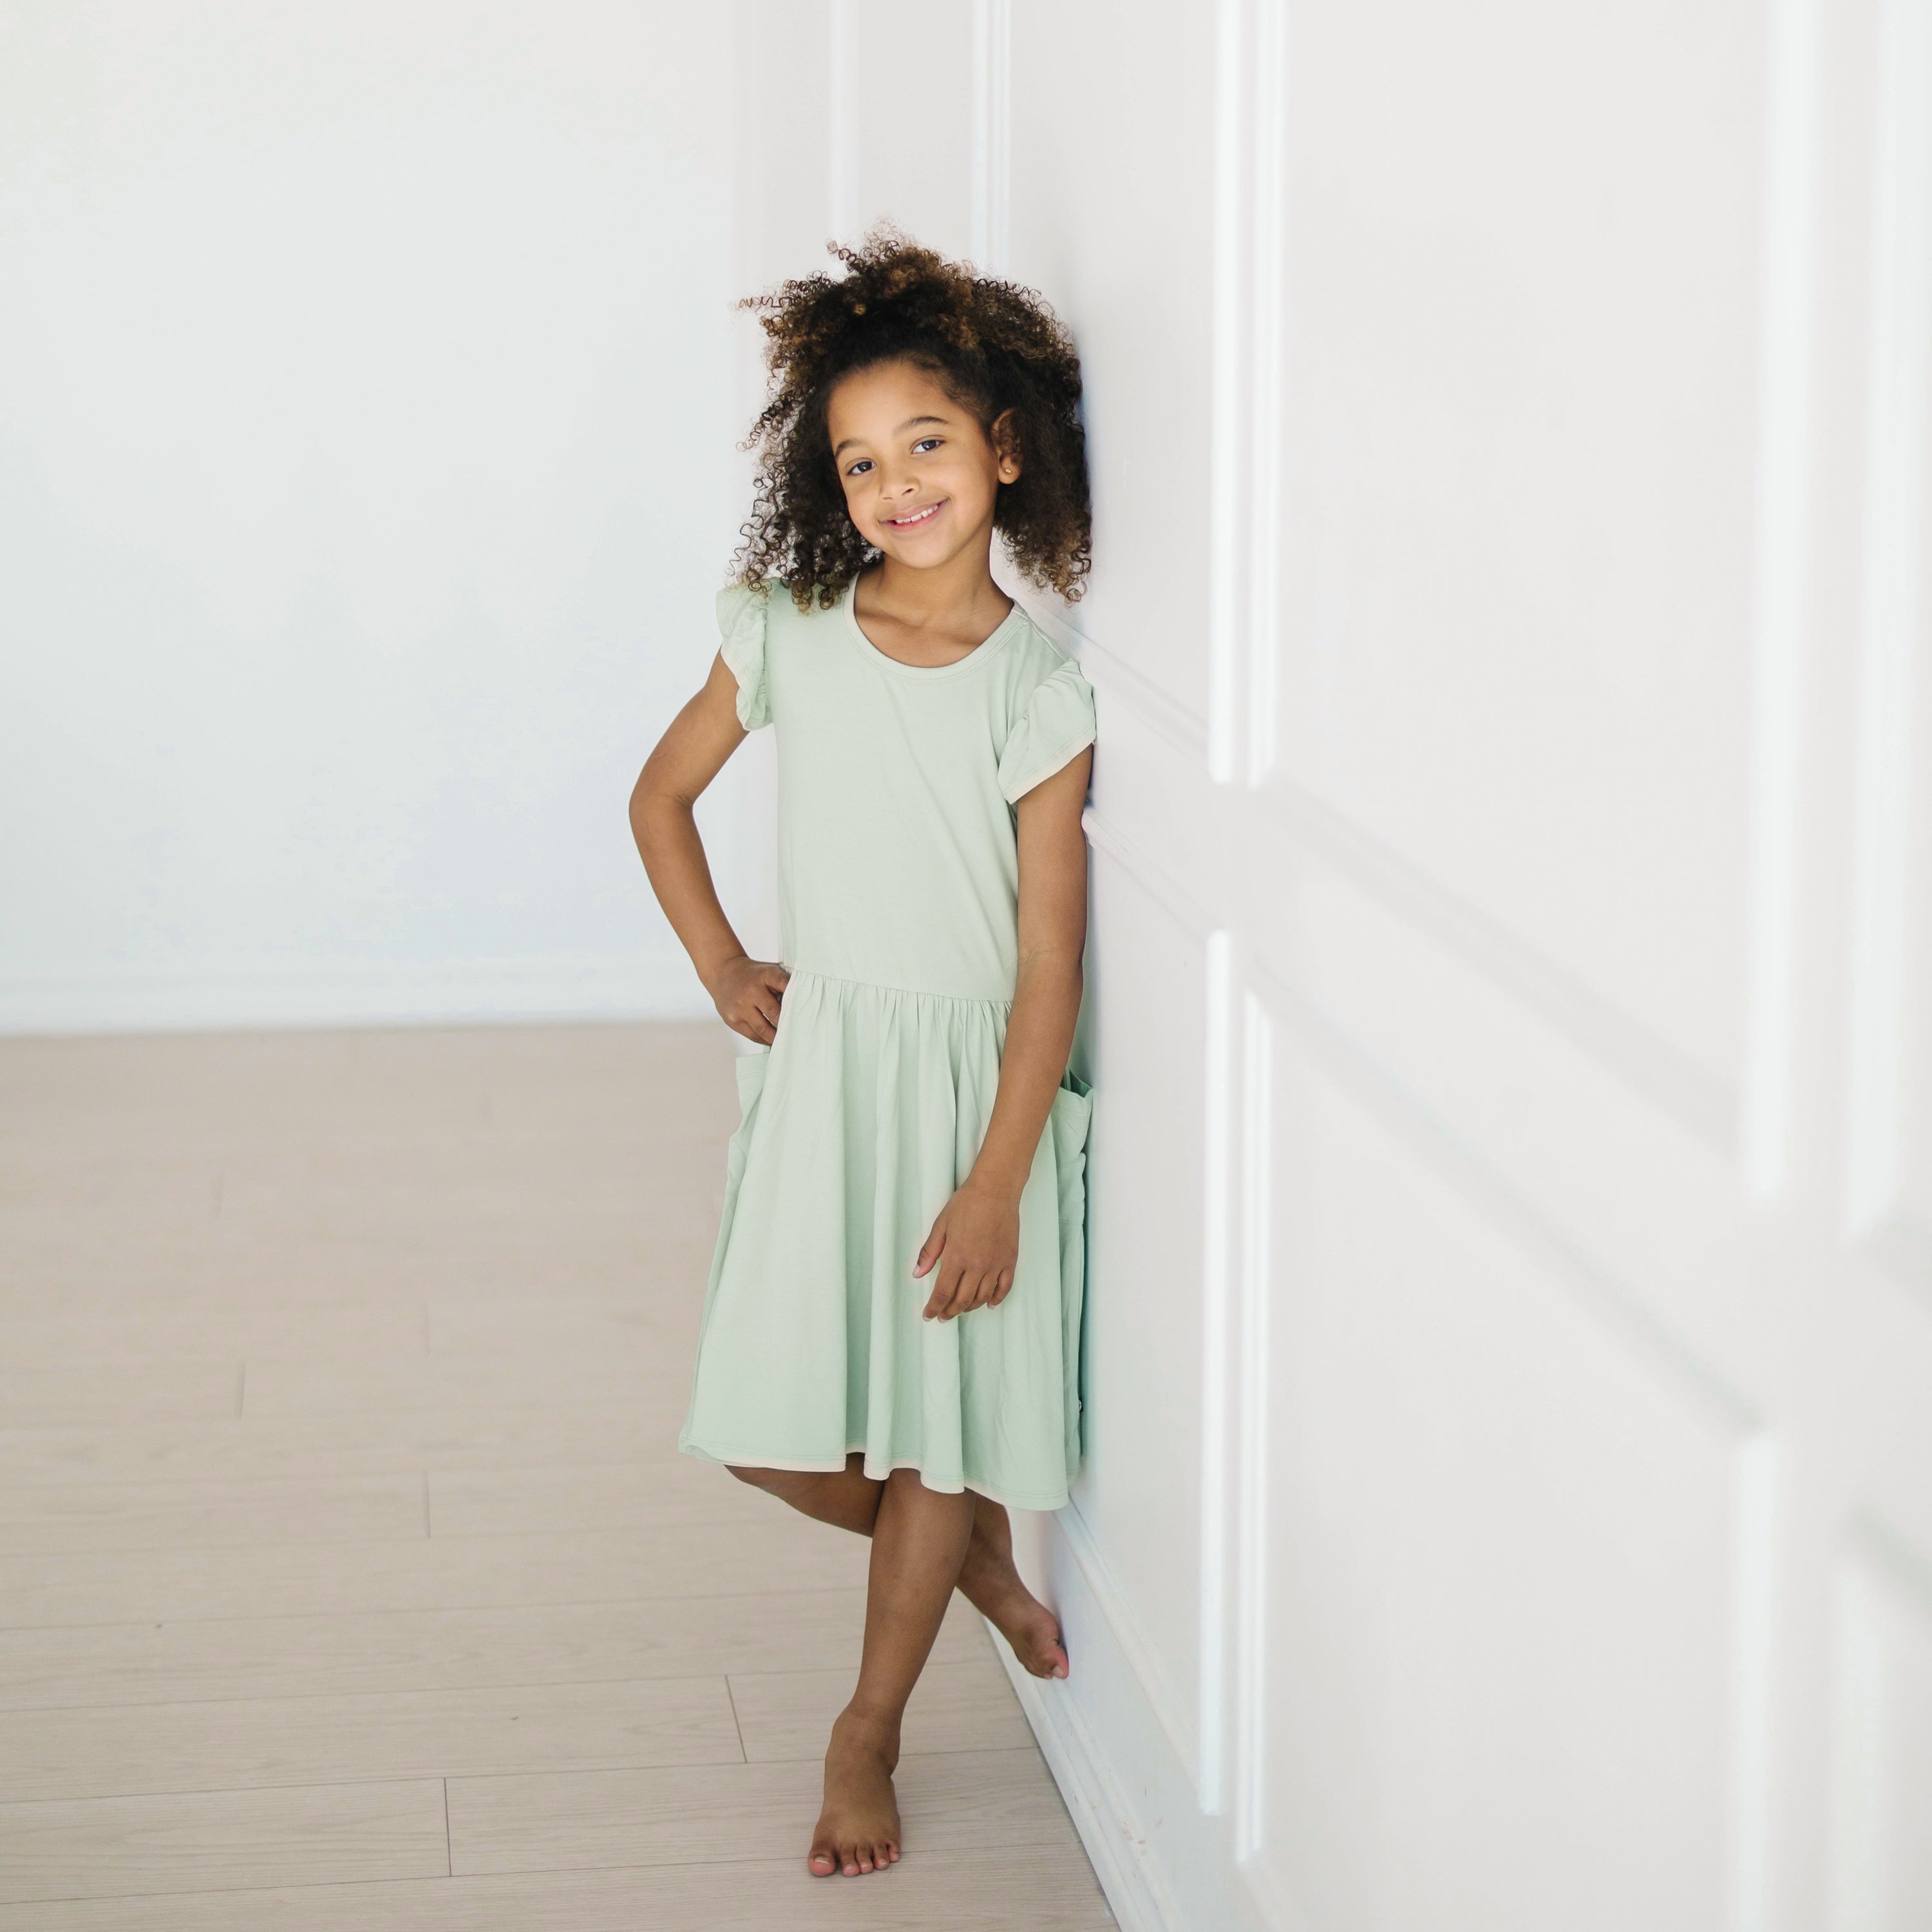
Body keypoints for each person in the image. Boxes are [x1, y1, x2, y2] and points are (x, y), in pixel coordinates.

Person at [629, 225, 1097, 1881]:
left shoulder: (1039, 692)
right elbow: (658, 798)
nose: (896, 483)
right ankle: (968, 1556)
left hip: (972, 1100)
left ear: (1003, 451)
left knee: (933, 1427)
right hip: (828, 1077)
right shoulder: (791, 632)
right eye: (859, 460)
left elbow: (1050, 967)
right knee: (770, 1425)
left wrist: (996, 1183)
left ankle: (867, 1726)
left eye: (927, 445)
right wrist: (721, 963)